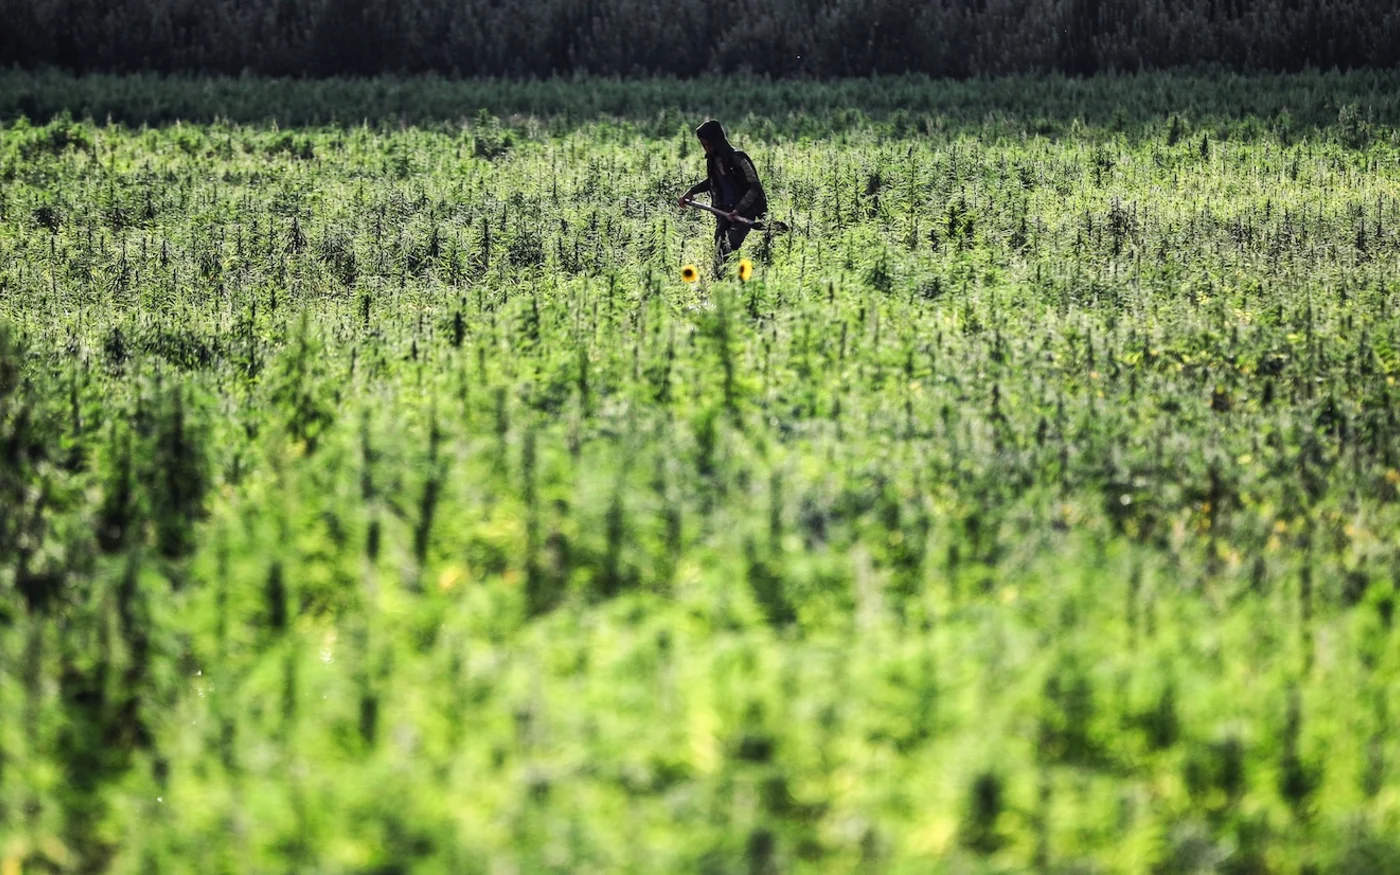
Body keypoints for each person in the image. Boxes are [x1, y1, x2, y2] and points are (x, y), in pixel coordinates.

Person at [678, 120, 767, 277]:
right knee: (719, 252)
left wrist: (738, 209)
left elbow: (755, 188)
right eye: (703, 144)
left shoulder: (738, 159)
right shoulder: (713, 161)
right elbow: (713, 182)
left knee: (729, 246)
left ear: (716, 141)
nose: (705, 148)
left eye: (707, 144)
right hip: (723, 211)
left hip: (743, 211)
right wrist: (691, 192)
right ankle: (720, 283)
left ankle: (740, 282)